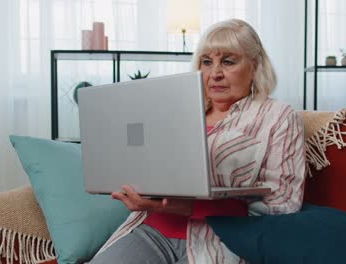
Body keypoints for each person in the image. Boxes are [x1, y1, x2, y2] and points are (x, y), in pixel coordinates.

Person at [88, 18, 306, 264]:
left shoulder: (278, 116)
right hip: (152, 230)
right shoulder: (176, 110)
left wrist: (188, 207)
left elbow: (284, 203)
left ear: (254, 66)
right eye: (206, 62)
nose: (215, 74)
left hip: (221, 241)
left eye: (228, 61)